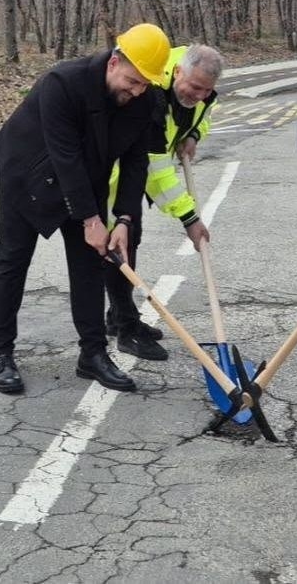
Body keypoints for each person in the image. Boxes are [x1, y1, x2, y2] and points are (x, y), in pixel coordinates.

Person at [0, 23, 171, 394]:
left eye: (143, 85)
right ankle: (2, 352)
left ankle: (93, 355)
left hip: (85, 178)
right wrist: (90, 219)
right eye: (132, 81)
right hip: (27, 174)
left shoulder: (145, 99)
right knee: (12, 259)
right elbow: (64, 155)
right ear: (114, 62)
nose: (136, 92)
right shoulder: (63, 82)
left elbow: (136, 162)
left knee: (89, 264)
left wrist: (123, 219)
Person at [104, 44, 223, 361]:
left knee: (131, 244)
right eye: (194, 86)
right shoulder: (153, 95)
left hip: (135, 177)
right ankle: (127, 328)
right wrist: (190, 219)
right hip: (114, 178)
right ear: (178, 71)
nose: (198, 94)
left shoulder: (204, 95)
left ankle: (118, 318)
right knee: (119, 251)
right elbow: (157, 172)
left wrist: (194, 135)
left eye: (206, 90)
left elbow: (202, 117)